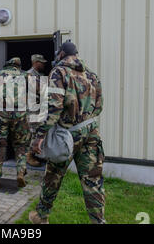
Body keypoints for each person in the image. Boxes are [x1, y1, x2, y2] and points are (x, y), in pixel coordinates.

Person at [28, 41, 106, 224]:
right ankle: (99, 221)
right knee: (93, 180)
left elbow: (53, 108)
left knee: (53, 176)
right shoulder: (92, 76)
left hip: (67, 135)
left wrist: (40, 137)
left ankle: (41, 216)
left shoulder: (59, 72)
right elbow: (99, 107)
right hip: (91, 132)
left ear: (61, 54)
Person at [0, 57, 31, 189]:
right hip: (20, 113)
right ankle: (20, 172)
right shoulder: (26, 76)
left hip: (2, 113)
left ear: (7, 65)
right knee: (21, 144)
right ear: (18, 66)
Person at [26, 54, 48, 167]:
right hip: (33, 110)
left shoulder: (40, 75)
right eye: (42, 62)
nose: (44, 64)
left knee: (40, 132)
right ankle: (29, 156)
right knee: (34, 133)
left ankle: (36, 154)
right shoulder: (30, 75)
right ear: (35, 62)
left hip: (40, 109)